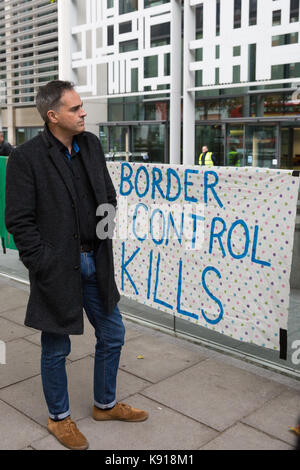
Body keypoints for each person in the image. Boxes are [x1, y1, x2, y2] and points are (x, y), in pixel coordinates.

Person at [5, 80, 148, 451]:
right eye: (75, 108)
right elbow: (19, 220)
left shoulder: (92, 146)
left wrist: (104, 235)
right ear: (53, 116)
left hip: (96, 261)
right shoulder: (27, 158)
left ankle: (105, 405)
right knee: (56, 347)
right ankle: (59, 418)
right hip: (57, 268)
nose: (83, 112)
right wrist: (44, 263)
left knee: (113, 333)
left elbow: (109, 195)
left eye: (82, 106)